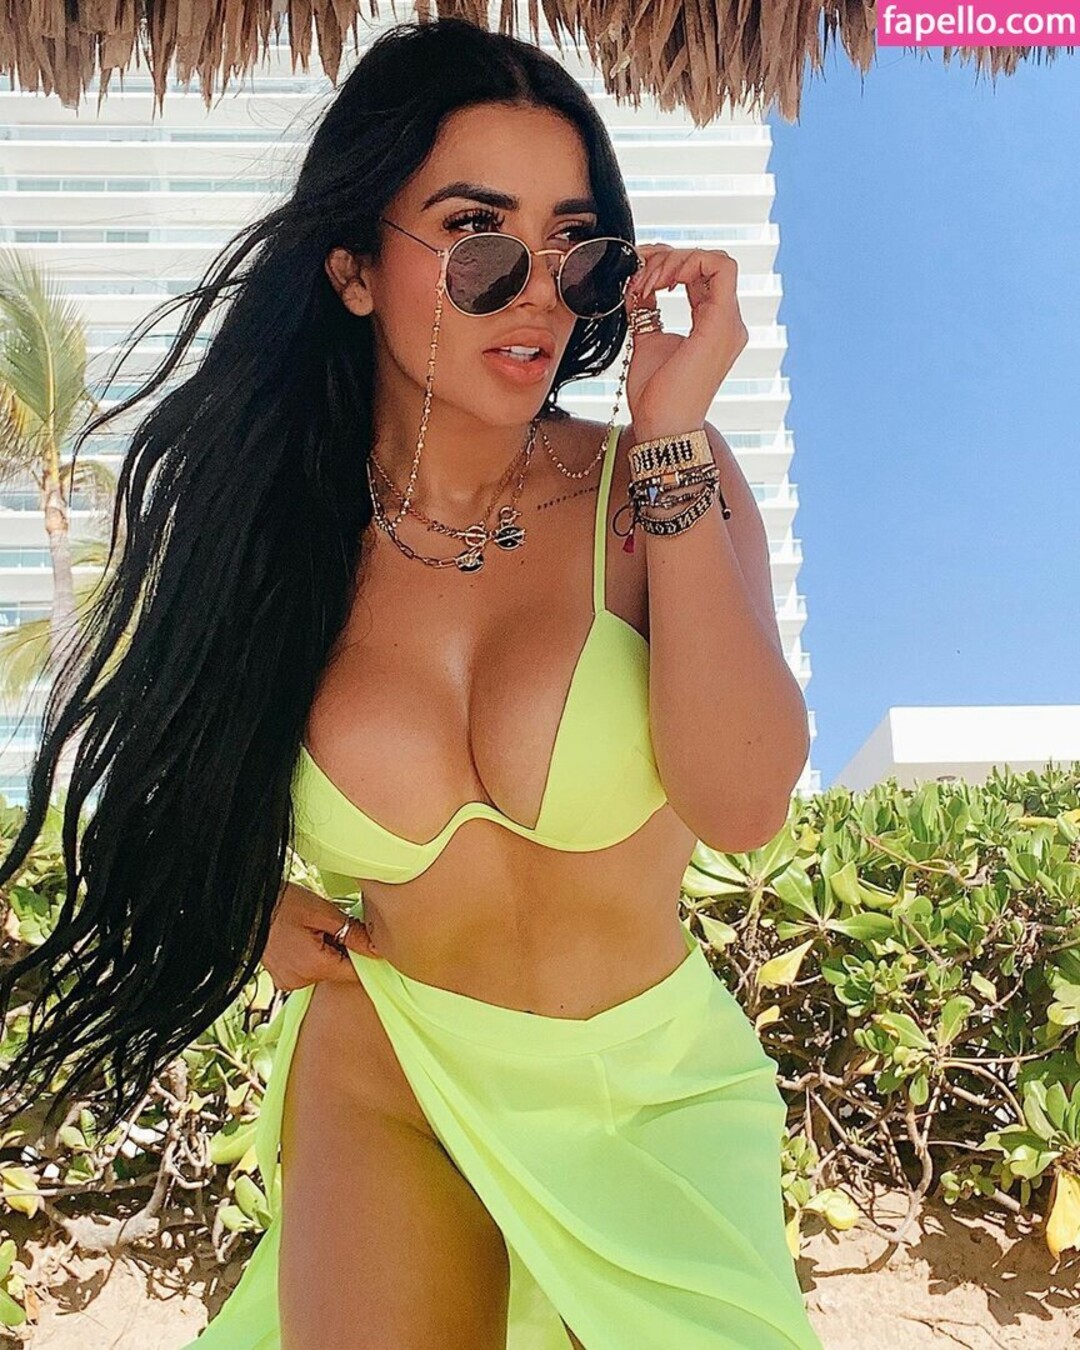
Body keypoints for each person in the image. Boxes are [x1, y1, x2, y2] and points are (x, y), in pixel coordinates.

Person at [0, 18, 820, 1349]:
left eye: (576, 248)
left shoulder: (653, 483)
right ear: (354, 270)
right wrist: (238, 908)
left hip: (651, 1096)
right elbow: (151, 786)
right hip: (393, 1067)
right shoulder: (277, 542)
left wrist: (671, 433)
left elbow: (739, 803)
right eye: (478, 237)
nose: (536, 291)